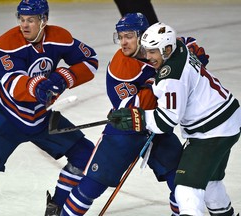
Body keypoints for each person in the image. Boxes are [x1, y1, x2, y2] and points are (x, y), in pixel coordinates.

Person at [0, 0, 98, 215]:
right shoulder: (7, 43)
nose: (25, 25)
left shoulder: (59, 38)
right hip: (7, 117)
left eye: (31, 20)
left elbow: (90, 60)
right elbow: (12, 82)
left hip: (39, 118)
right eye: (21, 19)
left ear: (44, 20)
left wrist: (63, 78)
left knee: (84, 154)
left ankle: (56, 208)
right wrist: (38, 86)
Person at [58, 13, 210, 216]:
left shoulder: (160, 47)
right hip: (124, 130)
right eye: (120, 37)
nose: (123, 42)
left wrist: (190, 59)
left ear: (142, 35)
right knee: (91, 187)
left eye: (128, 36)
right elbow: (134, 108)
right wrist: (158, 82)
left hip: (158, 127)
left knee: (181, 182)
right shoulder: (121, 67)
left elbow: (187, 44)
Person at [107, 22, 241, 216]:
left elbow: (166, 121)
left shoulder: (172, 77)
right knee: (210, 181)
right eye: (146, 50)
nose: (148, 56)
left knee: (186, 190)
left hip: (212, 132)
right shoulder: (179, 48)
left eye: (153, 52)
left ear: (167, 49)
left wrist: (136, 118)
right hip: (227, 119)